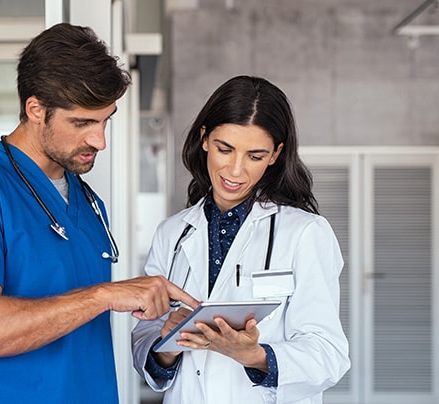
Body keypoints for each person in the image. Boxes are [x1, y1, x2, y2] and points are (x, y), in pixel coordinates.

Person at [0, 23, 198, 404]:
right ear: (35, 109)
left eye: (105, 120)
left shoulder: (88, 202)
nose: (99, 141)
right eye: (82, 123)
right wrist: (102, 296)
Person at [131, 75, 350, 403]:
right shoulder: (172, 233)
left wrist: (256, 356)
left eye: (255, 156)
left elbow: (329, 355)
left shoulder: (306, 233)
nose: (235, 170)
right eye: (225, 149)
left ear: (275, 154)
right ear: (205, 139)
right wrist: (167, 343)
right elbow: (143, 339)